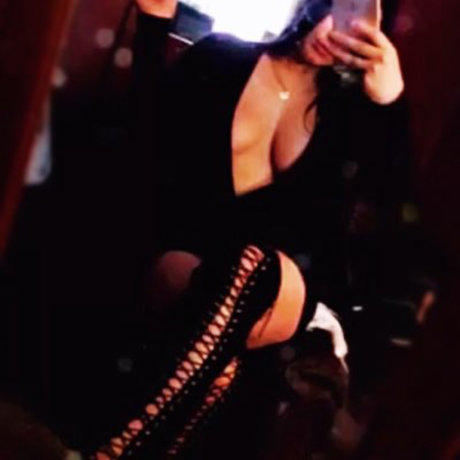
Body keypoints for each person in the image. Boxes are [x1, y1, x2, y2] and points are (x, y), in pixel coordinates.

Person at [94, 0, 407, 458]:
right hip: (191, 263)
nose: (334, 32)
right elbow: (144, 134)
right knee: (220, 349)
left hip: (284, 292)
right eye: (340, 7)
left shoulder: (347, 123)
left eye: (357, 25)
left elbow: (387, 221)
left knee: (258, 270)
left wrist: (389, 104)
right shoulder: (220, 57)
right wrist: (153, 25)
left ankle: (119, 449)